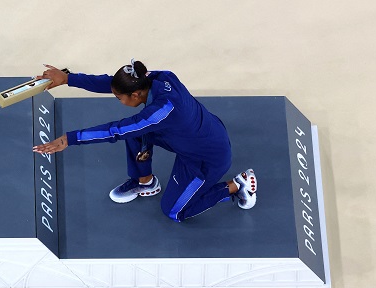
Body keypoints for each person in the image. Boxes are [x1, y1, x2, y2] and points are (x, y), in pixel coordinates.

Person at [32, 60, 257, 222]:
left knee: (174, 212)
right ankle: (145, 181)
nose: (118, 101)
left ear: (137, 95)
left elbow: (116, 131)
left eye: (120, 98)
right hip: (201, 133)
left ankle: (237, 185)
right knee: (137, 132)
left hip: (206, 159)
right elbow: (113, 84)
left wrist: (69, 139)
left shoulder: (161, 112)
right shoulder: (160, 77)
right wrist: (68, 79)